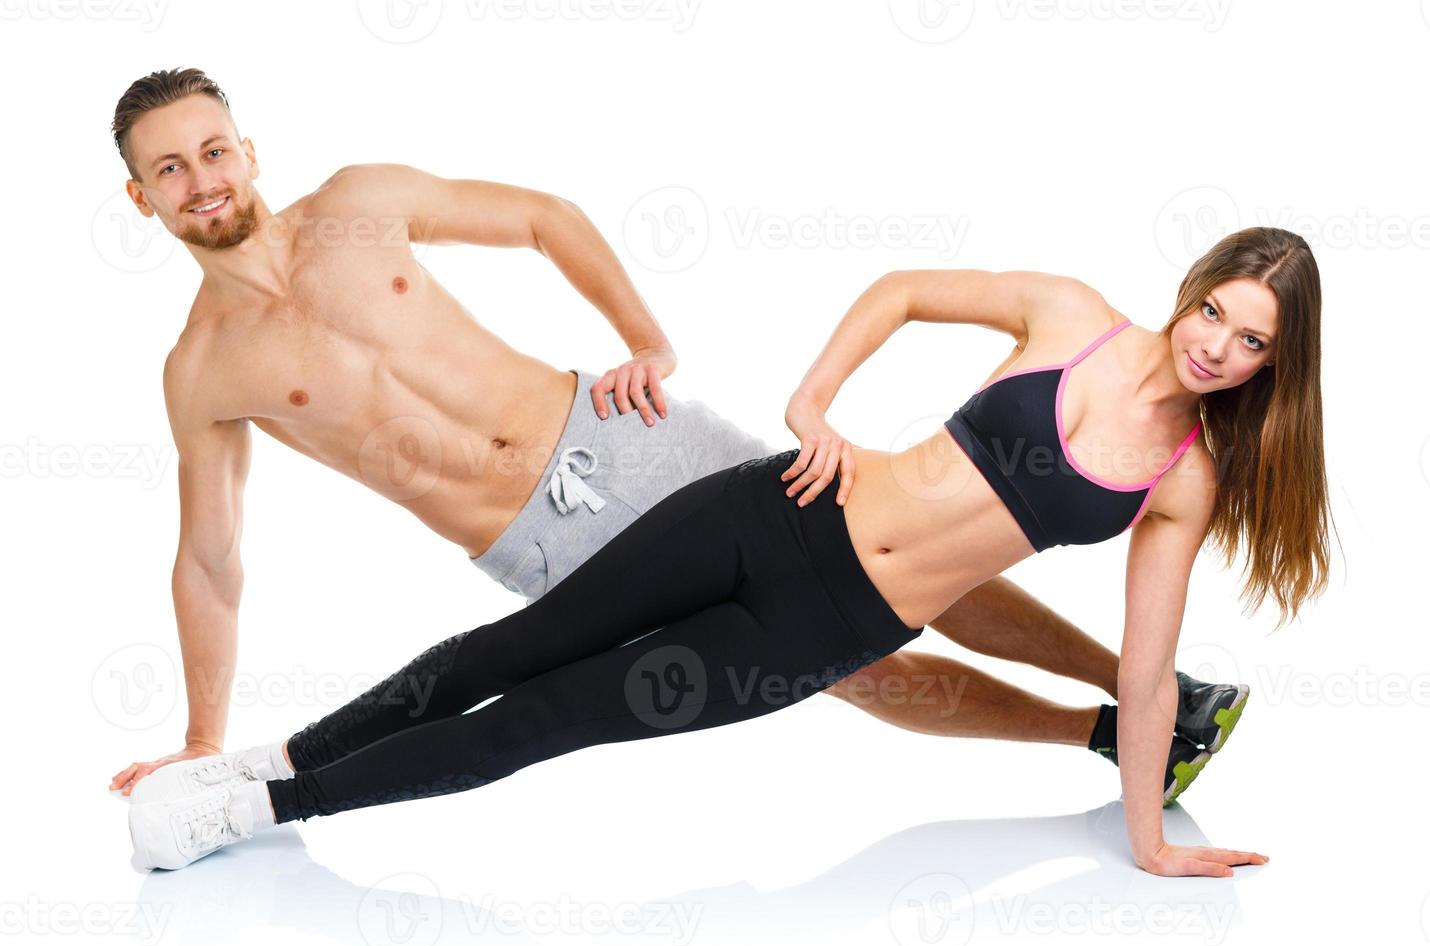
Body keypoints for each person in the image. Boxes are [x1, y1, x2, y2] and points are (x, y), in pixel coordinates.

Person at [105, 67, 1241, 810]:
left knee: (900, 542)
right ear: (139, 197)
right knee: (849, 667)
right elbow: (210, 557)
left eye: (213, 150)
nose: (201, 180)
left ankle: (1150, 690)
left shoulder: (361, 201)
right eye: (170, 167)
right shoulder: (202, 371)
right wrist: (207, 733)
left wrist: (643, 339)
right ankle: (1100, 730)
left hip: (628, 436)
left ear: (248, 147)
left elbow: (542, 216)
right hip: (536, 544)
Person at [127, 226, 1329, 877]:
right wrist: (814, 407)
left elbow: (1150, 657)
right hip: (776, 507)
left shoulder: (1187, 480)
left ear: (1274, 366)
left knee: (540, 718)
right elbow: (904, 288)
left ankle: (263, 809)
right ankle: (264, 758)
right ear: (1192, 289)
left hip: (820, 632)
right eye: (1216, 308)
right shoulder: (1072, 313)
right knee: (516, 640)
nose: (1216, 343)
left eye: (1250, 341)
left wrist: (1147, 840)